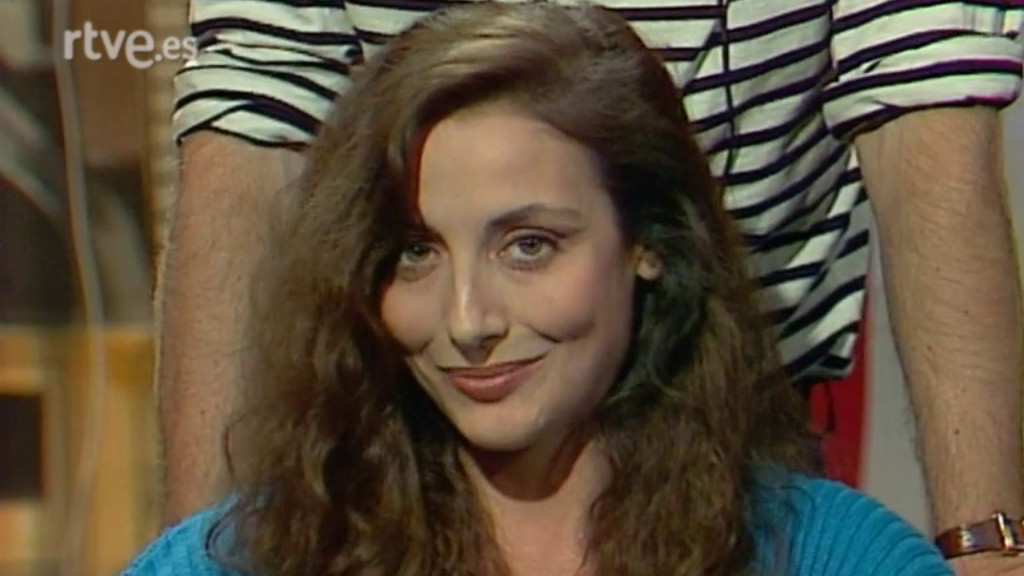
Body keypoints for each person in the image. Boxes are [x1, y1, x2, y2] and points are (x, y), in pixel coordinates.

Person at [158, 0, 1024, 574]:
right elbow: (250, 122)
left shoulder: (832, 553)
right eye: (415, 252)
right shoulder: (239, 553)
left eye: (530, 246)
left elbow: (930, 115)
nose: (468, 319)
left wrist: (988, 547)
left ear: (647, 244)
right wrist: (236, 540)